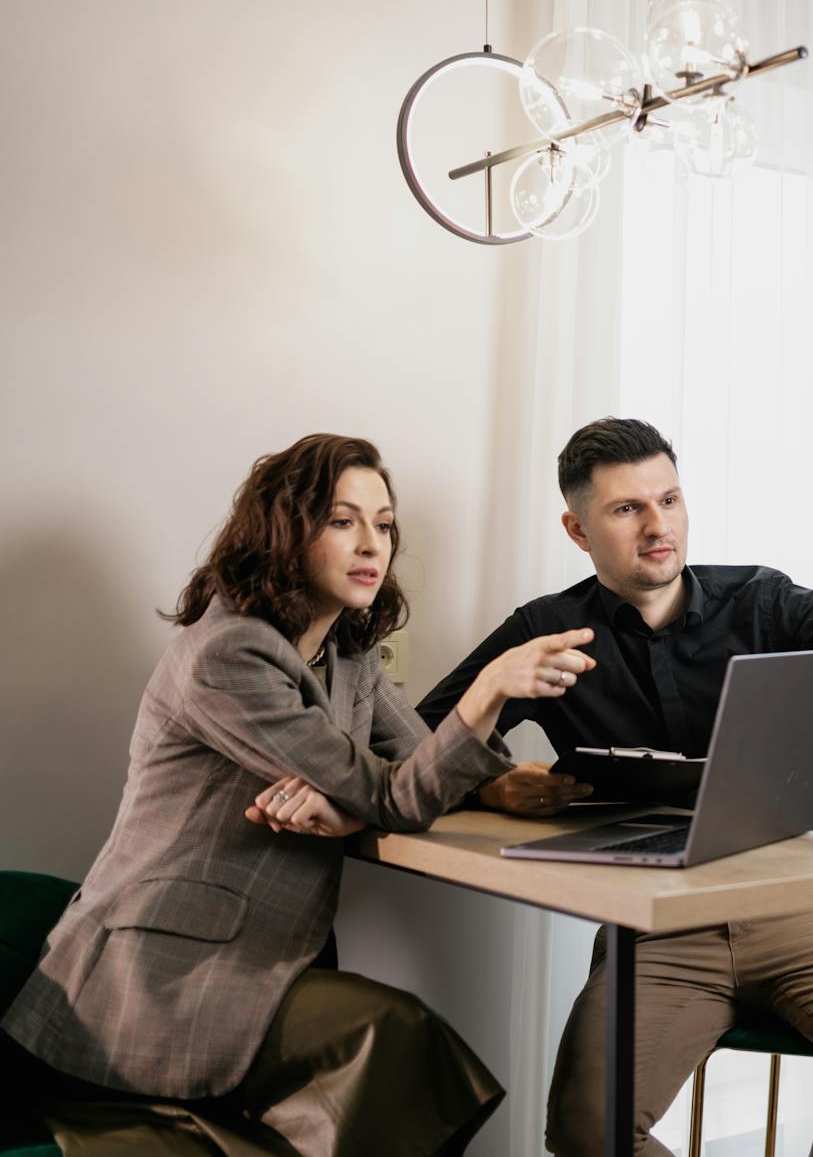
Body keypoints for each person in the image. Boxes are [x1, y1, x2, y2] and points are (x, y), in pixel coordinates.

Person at [2, 433, 596, 1154]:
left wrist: (395, 799)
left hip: (258, 957)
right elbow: (402, 794)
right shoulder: (229, 654)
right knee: (395, 1037)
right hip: (157, 967)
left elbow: (410, 767)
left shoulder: (347, 652)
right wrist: (489, 691)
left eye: (384, 524)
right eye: (343, 521)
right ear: (284, 529)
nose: (372, 544)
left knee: (394, 1062)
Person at [414, 417, 813, 1157]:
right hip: (657, 928)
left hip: (798, 908)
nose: (657, 525)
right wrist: (491, 787)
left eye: (668, 500)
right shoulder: (548, 629)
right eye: (627, 509)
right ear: (577, 529)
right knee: (586, 1132)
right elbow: (419, 740)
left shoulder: (760, 602)